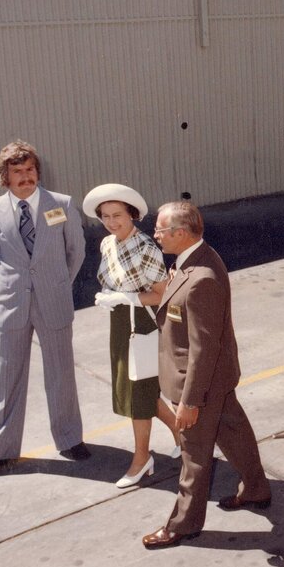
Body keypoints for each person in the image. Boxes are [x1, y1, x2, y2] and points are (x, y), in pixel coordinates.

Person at [142, 201, 272, 549]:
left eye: (160, 230)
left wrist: (189, 402)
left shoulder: (202, 279)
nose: (155, 235)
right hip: (217, 378)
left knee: (194, 455)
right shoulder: (194, 260)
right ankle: (256, 488)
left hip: (199, 384)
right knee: (234, 432)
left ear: (181, 233)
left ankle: (182, 525)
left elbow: (203, 349)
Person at [0, 141, 87, 477]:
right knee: (6, 375)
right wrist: (17, 282)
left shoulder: (61, 204)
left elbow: (75, 252)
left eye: (30, 169)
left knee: (61, 373)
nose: (25, 177)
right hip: (12, 302)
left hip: (54, 299)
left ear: (38, 171)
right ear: (5, 177)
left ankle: (69, 438)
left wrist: (56, 282)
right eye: (17, 171)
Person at [83, 183, 181, 488]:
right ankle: (181, 433)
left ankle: (142, 458)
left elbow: (163, 295)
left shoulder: (145, 247)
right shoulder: (107, 244)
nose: (111, 222)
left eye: (117, 215)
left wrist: (126, 298)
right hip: (120, 324)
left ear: (132, 215)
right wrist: (108, 297)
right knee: (140, 389)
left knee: (139, 393)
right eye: (105, 216)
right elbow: (114, 279)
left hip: (143, 323)